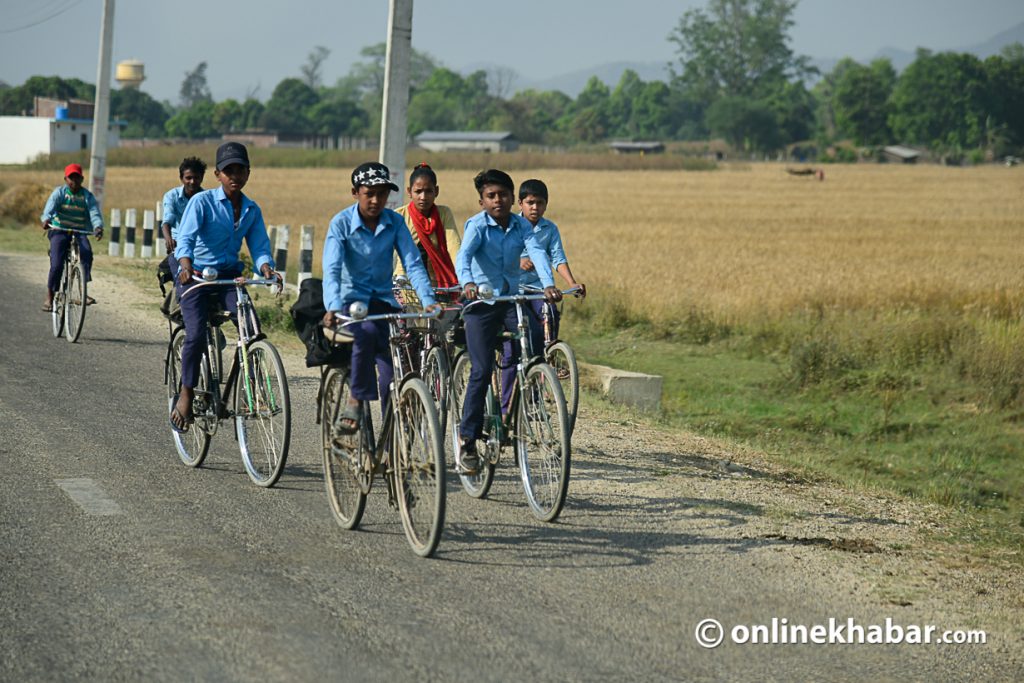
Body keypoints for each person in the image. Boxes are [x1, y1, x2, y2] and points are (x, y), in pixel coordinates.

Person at [454, 169, 560, 475]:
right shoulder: (477, 226)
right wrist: (468, 282)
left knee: (535, 342)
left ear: (513, 198)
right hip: (482, 303)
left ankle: (525, 398)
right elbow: (464, 257)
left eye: (503, 195)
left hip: (510, 301)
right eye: (491, 196)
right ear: (482, 201)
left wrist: (547, 284)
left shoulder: (520, 226)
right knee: (482, 369)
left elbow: (538, 253)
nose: (498, 200)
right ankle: (467, 440)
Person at [321, 161, 440, 434]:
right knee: (365, 332)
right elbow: (332, 269)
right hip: (350, 303)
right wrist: (332, 307)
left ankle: (392, 444)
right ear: (355, 192)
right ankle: (355, 400)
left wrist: (427, 300)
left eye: (382, 194)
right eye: (369, 193)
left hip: (383, 301)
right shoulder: (340, 224)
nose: (376, 200)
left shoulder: (395, 222)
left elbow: (412, 263)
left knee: (391, 376)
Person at [168, 141, 279, 433]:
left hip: (229, 277)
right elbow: (187, 238)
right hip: (197, 276)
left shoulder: (252, 209)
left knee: (251, 329)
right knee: (195, 334)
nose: (234, 176)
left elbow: (259, 245)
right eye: (228, 170)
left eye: (240, 170)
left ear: (248, 173)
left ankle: (252, 387)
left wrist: (266, 266)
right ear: (217, 174)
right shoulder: (201, 203)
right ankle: (186, 392)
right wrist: (185, 263)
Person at [516, 178, 586, 357]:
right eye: (530, 202)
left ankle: (551, 356)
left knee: (551, 312)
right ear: (520, 203)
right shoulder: (511, 225)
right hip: (514, 287)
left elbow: (557, 258)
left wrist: (572, 283)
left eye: (540, 203)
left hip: (539, 286)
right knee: (521, 327)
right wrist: (518, 261)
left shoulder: (550, 229)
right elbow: (498, 253)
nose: (534, 207)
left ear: (546, 205)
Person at [39, 163, 103, 312]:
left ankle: (83, 290)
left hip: (79, 231)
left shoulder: (87, 196)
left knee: (86, 253)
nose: (74, 181)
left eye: (77, 177)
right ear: (65, 179)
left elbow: (94, 213)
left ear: (82, 179)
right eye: (71, 178)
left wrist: (98, 227)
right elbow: (50, 208)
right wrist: (46, 219)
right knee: (57, 264)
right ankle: (50, 295)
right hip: (59, 230)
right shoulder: (60, 193)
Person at [393, 162, 461, 289]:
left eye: (429, 191)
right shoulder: (399, 215)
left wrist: (463, 274)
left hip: (440, 283)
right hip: (406, 284)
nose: (423, 197)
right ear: (409, 191)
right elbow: (399, 251)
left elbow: (454, 246)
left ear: (436, 191)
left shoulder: (443, 213)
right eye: (418, 191)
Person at [161, 156, 207, 256]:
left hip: (201, 246)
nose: (192, 182)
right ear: (181, 178)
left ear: (202, 178)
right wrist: (169, 240)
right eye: (188, 178)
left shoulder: (207, 199)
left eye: (196, 177)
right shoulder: (172, 196)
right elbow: (166, 222)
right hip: (179, 244)